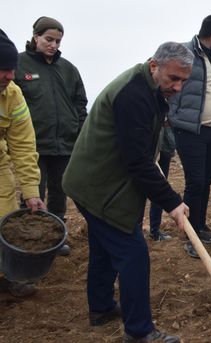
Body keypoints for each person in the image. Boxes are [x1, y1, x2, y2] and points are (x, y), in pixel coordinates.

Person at [62, 42, 193, 343]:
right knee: (133, 253)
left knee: (104, 247)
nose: (178, 87)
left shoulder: (149, 89)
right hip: (98, 186)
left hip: (96, 181)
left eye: (184, 81)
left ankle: (101, 307)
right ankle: (139, 331)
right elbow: (136, 162)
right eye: (173, 78)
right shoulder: (133, 94)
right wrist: (172, 203)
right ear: (154, 66)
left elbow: (141, 151)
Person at [15, 17, 88, 256]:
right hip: (32, 145)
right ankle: (27, 240)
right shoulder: (18, 64)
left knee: (59, 192)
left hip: (64, 144)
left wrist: (77, 130)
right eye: (48, 39)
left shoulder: (68, 69)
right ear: (35, 36)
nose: (53, 45)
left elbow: (80, 103)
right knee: (33, 192)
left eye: (58, 41)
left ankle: (55, 238)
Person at [168, 15, 211, 258]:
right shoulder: (183, 53)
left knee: (207, 178)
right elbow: (166, 82)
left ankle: (201, 225)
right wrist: (172, 115)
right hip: (190, 130)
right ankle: (191, 237)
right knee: (195, 181)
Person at [0, 29, 46, 297]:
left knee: (4, 221)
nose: (10, 76)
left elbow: (24, 145)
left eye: (12, 69)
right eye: (3, 69)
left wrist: (31, 191)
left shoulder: (12, 95)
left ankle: (4, 277)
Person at [147, 125, 176, 241]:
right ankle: (135, 228)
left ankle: (155, 230)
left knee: (158, 185)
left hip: (164, 146)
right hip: (148, 145)